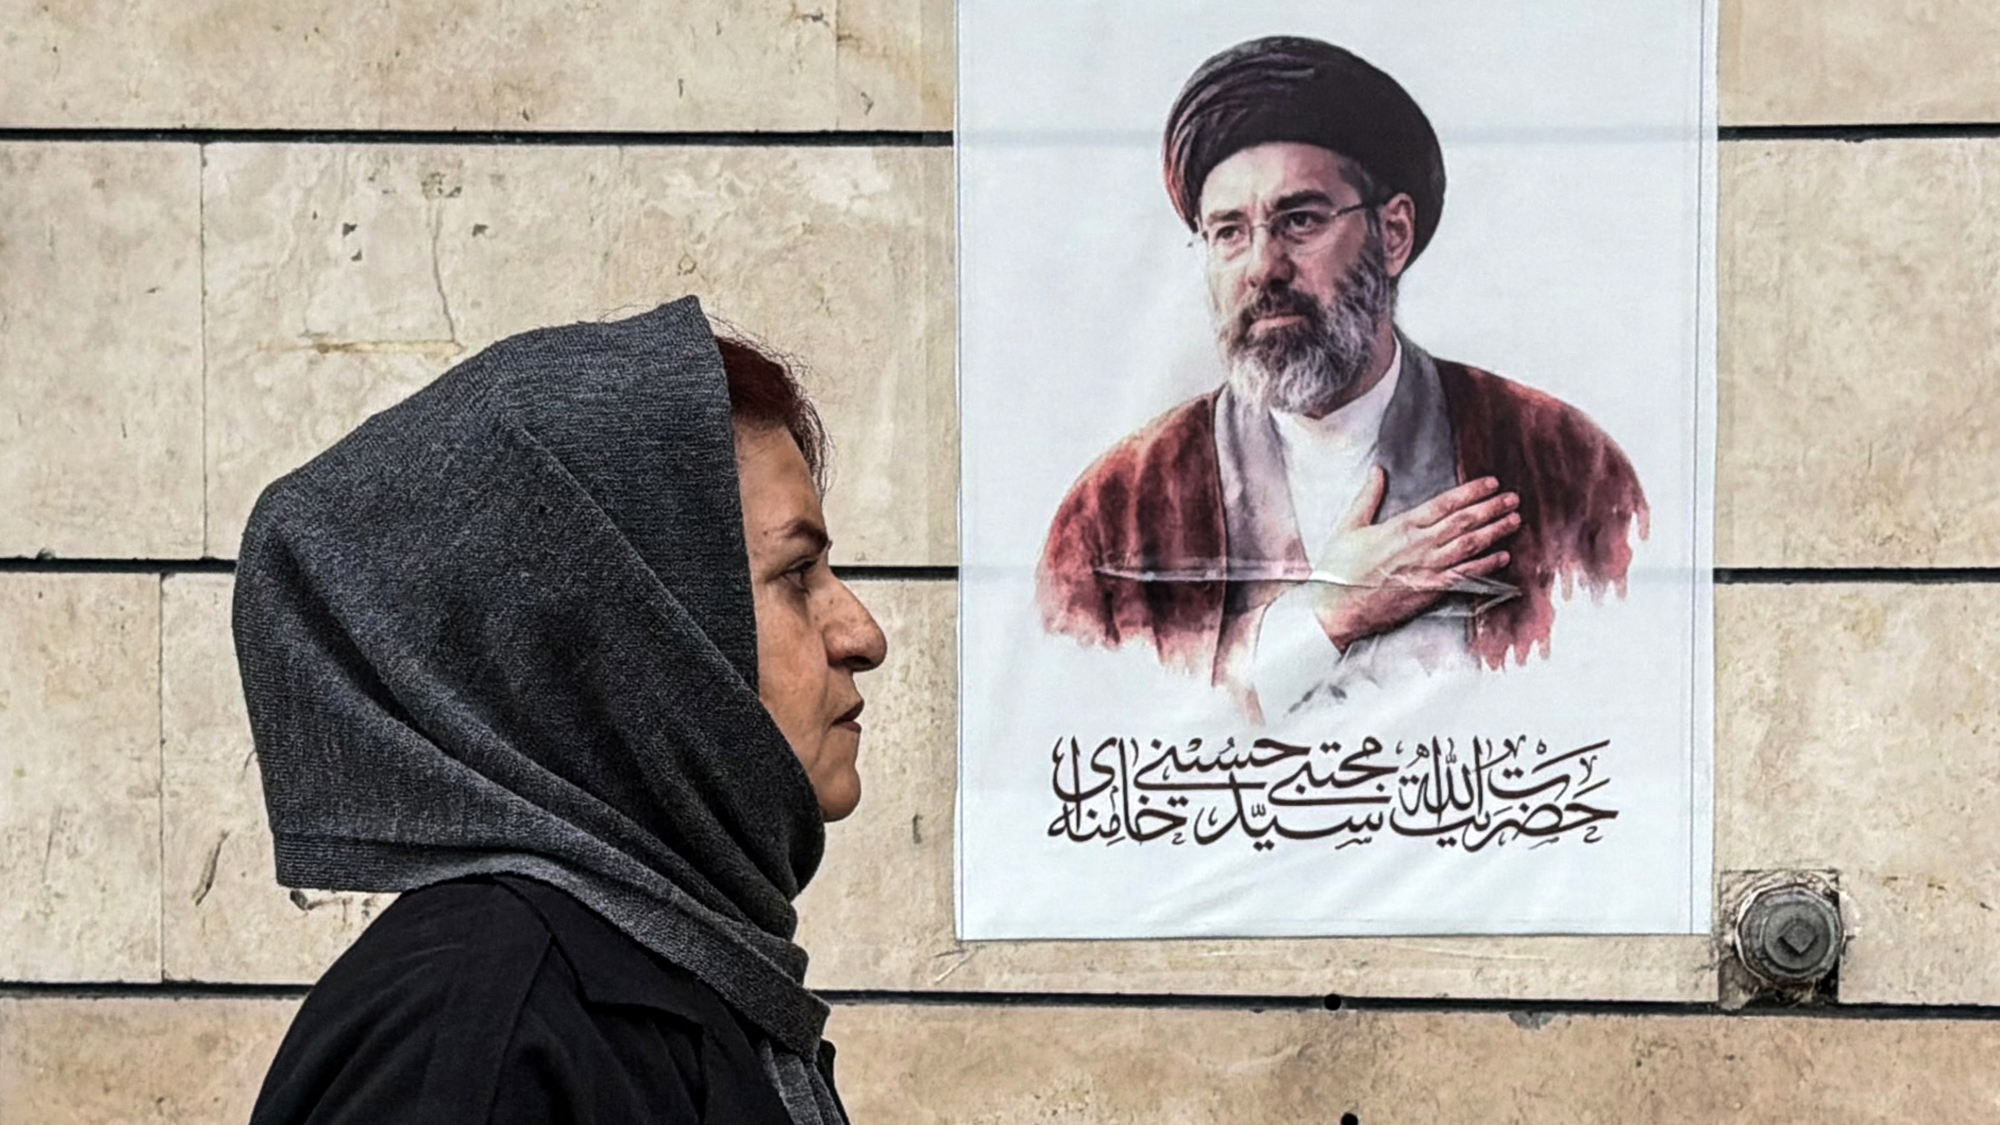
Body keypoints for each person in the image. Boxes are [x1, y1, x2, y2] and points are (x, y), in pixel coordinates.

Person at [233, 298, 886, 1124]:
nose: (863, 634)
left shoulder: (679, 976)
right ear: (632, 636)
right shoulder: (486, 1027)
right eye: (797, 575)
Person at [1036, 35, 1648, 719]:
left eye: (1299, 220)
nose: (1263, 267)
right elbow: (1088, 744)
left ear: (1393, 235)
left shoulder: (1567, 467)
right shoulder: (1117, 511)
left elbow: (1616, 715)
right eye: (1229, 232)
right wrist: (1327, 615)